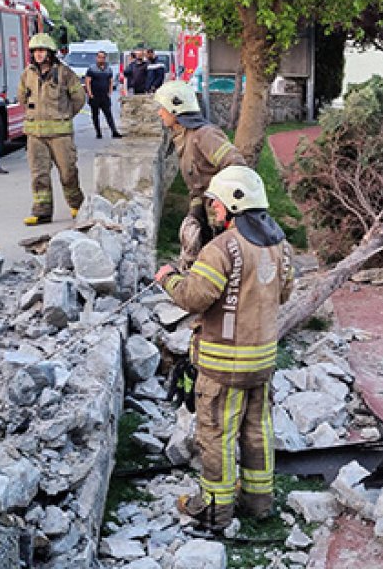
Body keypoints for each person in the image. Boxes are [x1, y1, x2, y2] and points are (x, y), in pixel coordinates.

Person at [153, 166, 295, 530]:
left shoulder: (221, 248)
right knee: (257, 430)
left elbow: (194, 297)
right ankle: (259, 502)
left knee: (216, 434)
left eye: (216, 203)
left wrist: (168, 278)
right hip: (262, 361)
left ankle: (215, 510)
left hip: (223, 366)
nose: (213, 209)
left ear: (234, 203)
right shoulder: (280, 244)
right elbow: (284, 293)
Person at [154, 80, 247, 268]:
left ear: (175, 109)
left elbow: (236, 166)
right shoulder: (184, 137)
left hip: (225, 218)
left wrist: (221, 204)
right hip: (209, 217)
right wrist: (196, 214)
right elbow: (197, 186)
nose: (159, 113)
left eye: (163, 108)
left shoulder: (205, 135)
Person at [19, 33, 85, 226]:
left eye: (42, 51)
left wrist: (64, 115)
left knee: (68, 172)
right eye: (35, 51)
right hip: (35, 134)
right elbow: (22, 98)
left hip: (60, 134)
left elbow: (79, 98)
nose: (38, 54)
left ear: (50, 53)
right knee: (39, 174)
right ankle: (42, 212)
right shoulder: (27, 74)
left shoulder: (65, 73)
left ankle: (77, 205)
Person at [83, 50, 123, 140]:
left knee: (108, 114)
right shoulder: (91, 69)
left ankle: (114, 132)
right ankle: (98, 133)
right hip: (95, 95)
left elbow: (110, 81)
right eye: (99, 57)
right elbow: (87, 81)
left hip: (104, 96)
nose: (101, 59)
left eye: (103, 57)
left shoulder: (108, 69)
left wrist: (110, 92)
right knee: (95, 115)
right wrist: (90, 93)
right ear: (96, 58)